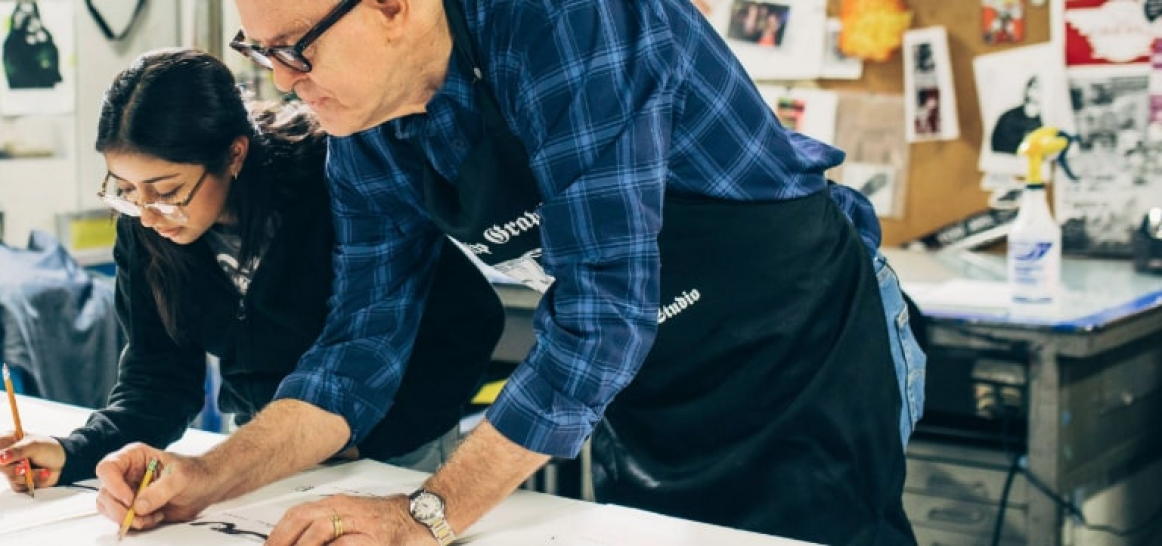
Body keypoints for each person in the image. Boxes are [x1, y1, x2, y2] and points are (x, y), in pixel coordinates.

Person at [98, 1, 927, 545]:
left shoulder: (567, 23)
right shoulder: (369, 131)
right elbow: (356, 350)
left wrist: (426, 514)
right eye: (262, 52)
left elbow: (604, 310)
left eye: (295, 51)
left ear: (392, 7)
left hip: (802, 349)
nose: (280, 81)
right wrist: (207, 479)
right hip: (649, 385)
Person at [0, 48, 503, 497]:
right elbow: (158, 382)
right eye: (126, 190)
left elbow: (468, 324)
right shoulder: (146, 228)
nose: (148, 214)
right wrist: (73, 454)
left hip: (390, 454)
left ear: (234, 154)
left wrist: (367, 440)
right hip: (259, 452)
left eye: (166, 191)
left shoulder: (337, 183)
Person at [991, 77, 1044, 155]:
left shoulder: (1050, 121)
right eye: (1037, 87)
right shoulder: (1009, 118)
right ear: (1028, 90)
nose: (1041, 92)